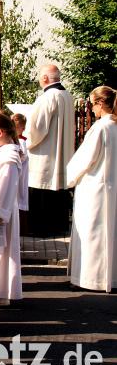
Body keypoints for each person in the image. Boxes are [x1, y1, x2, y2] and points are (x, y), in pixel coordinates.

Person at [66, 86, 117, 292]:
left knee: (93, 234)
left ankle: (91, 279)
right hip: (111, 185)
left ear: (100, 104)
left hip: (96, 188)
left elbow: (85, 159)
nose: (91, 109)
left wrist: (69, 178)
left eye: (92, 104)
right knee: (110, 233)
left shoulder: (101, 128)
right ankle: (110, 277)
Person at [24, 64, 75, 237]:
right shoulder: (68, 96)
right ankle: (59, 226)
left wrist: (25, 138)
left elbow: (36, 128)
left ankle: (42, 229)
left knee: (42, 188)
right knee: (58, 190)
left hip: (45, 154)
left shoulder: (46, 98)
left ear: (45, 78)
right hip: (63, 153)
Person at [0, 113, 24, 306]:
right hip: (4, 209)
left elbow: (2, 189)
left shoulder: (8, 158)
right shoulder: (6, 153)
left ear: (0, 133)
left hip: (2, 211)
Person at [11, 113, 30, 216]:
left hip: (20, 174)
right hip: (16, 173)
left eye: (17, 127)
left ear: (23, 128)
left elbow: (22, 157)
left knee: (18, 200)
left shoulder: (21, 142)